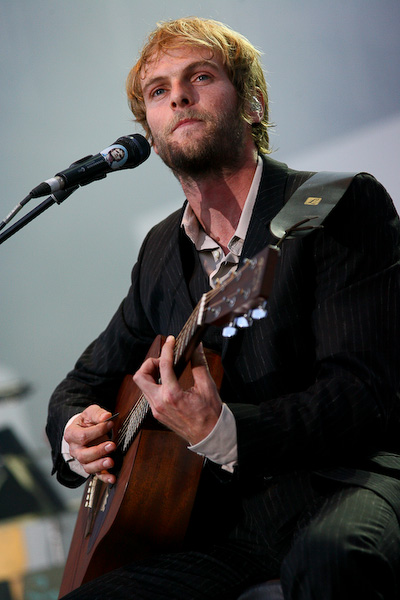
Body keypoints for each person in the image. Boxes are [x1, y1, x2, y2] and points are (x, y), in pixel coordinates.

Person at [46, 17, 400, 600]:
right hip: (225, 527)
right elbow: (82, 382)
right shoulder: (161, 251)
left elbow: (365, 393)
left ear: (253, 105)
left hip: (344, 481)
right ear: (150, 131)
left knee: (331, 559)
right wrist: (74, 436)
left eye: (201, 77)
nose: (178, 97)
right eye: (158, 90)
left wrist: (225, 431)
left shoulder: (337, 204)